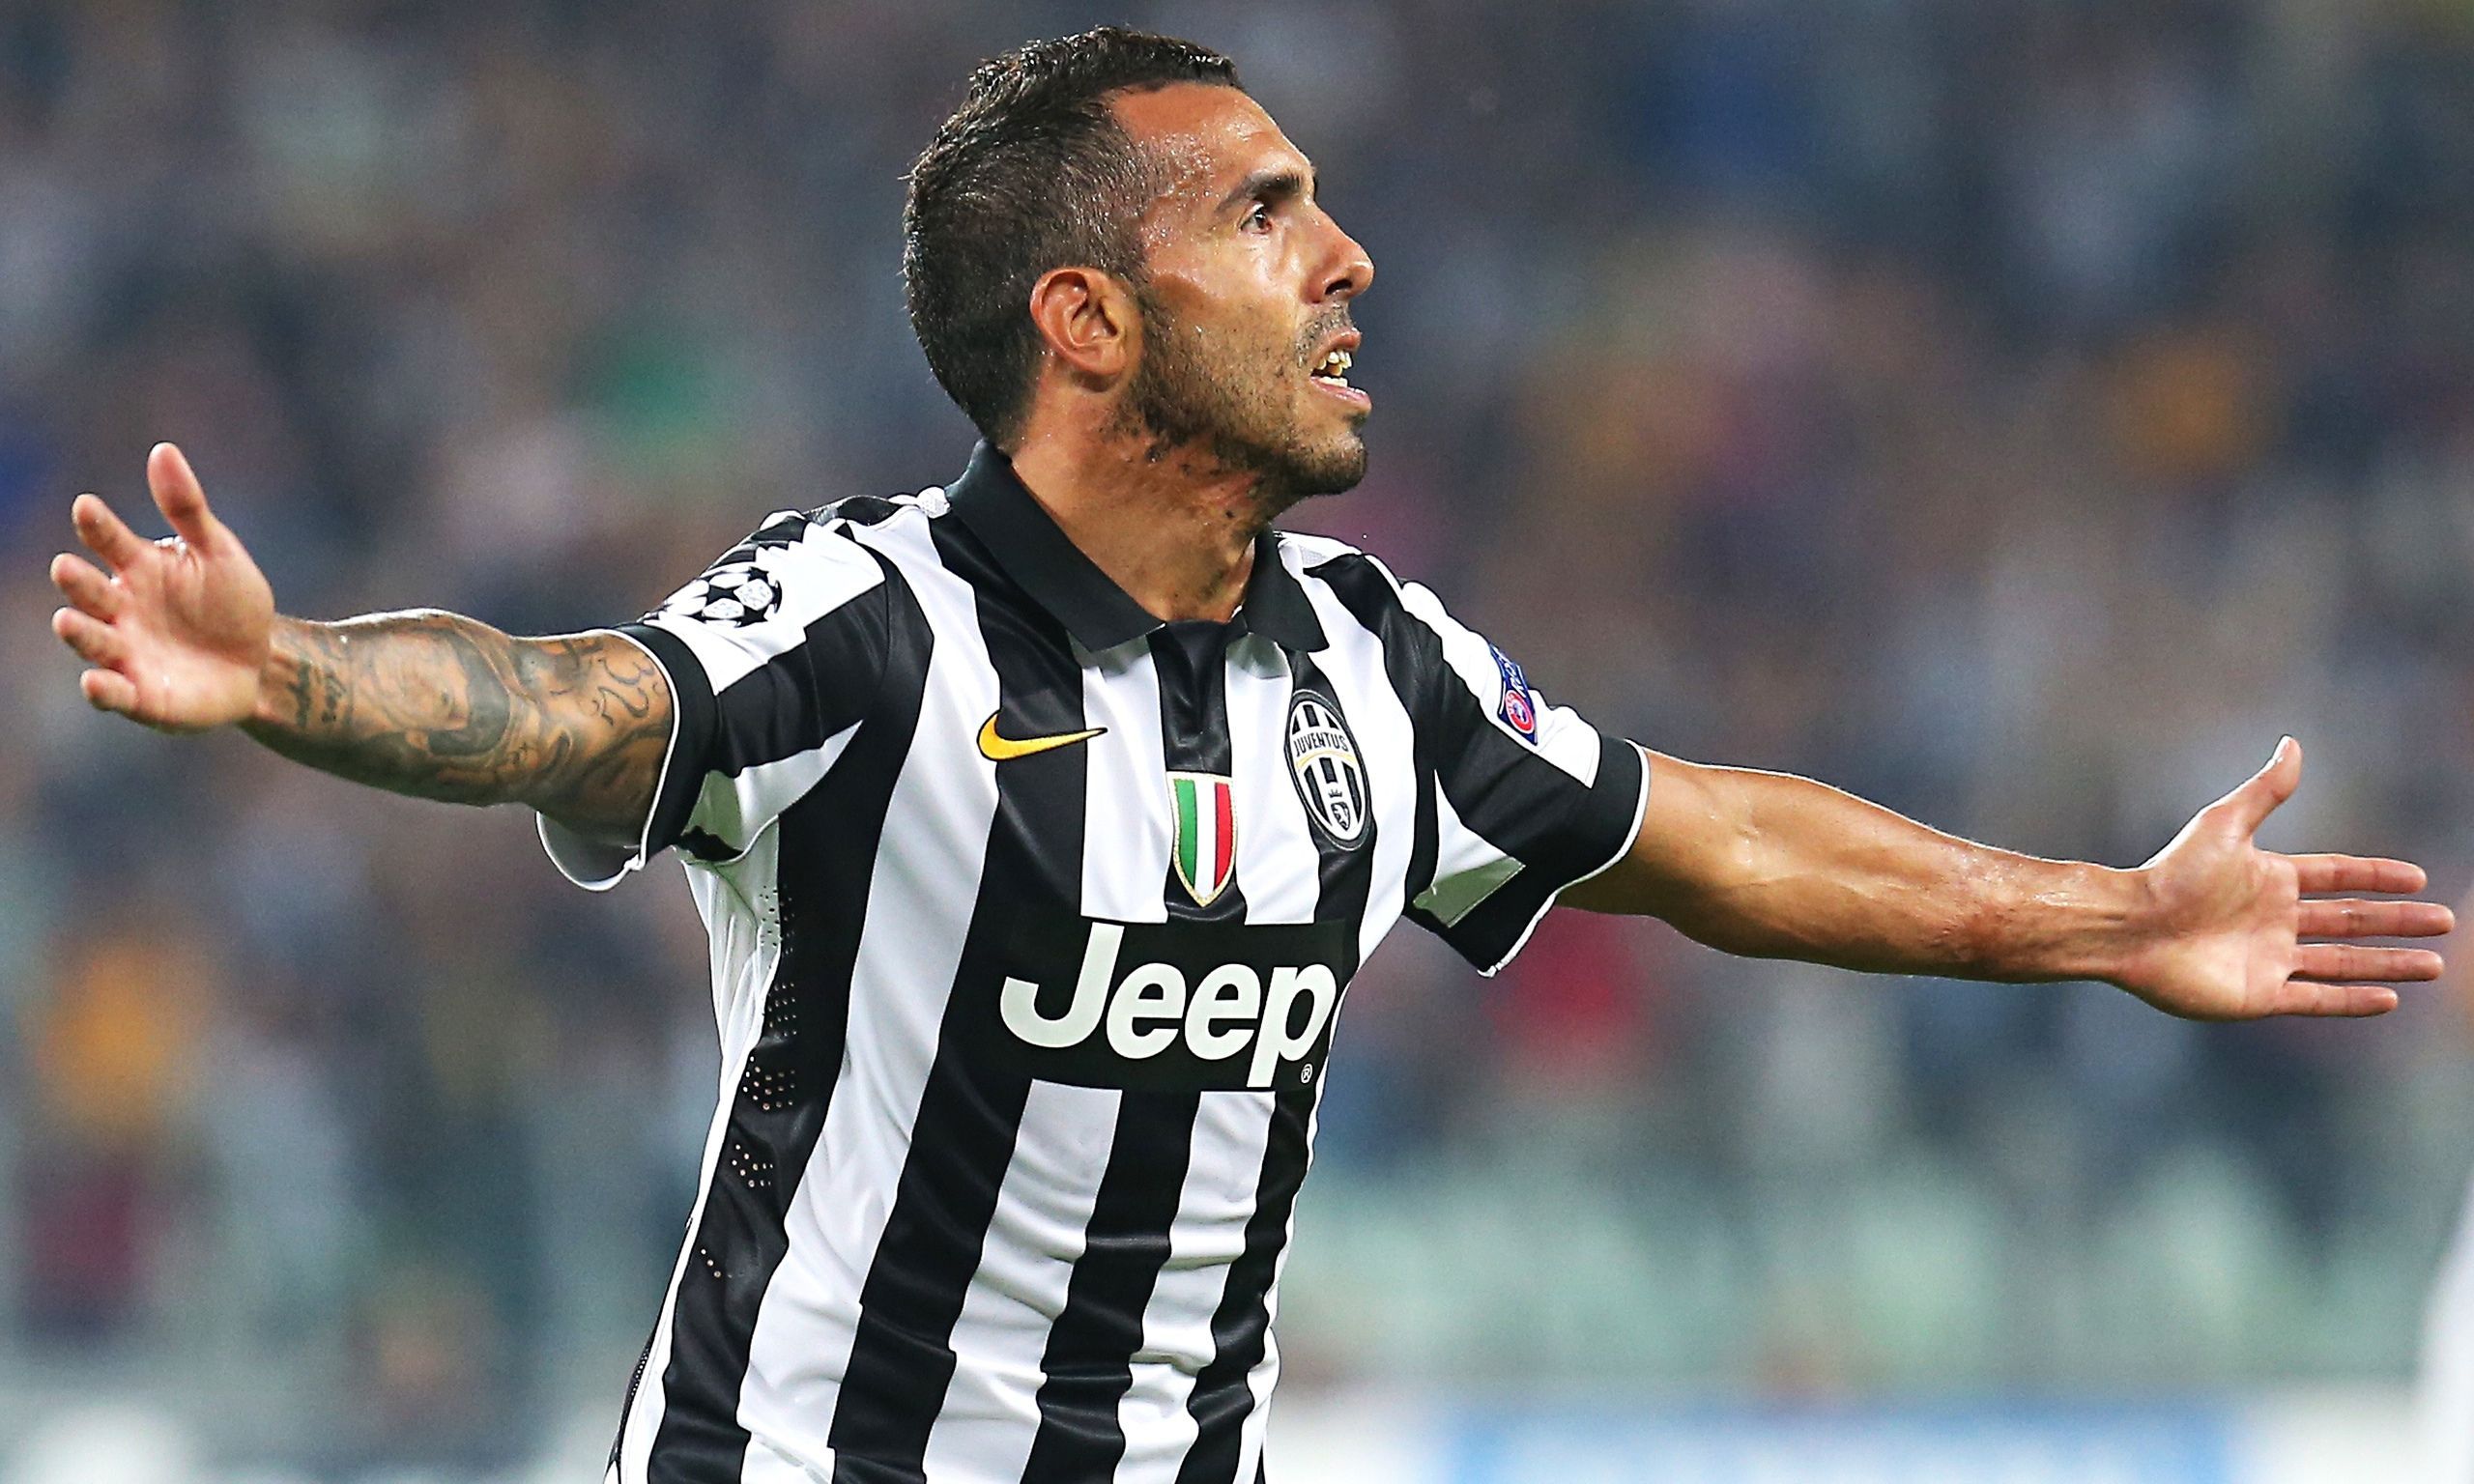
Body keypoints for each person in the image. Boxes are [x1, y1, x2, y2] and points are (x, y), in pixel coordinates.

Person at [41, 26, 2450, 1484]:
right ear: (1089, 321)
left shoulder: (1373, 667)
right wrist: (293, 676)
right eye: (1267, 214)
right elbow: (581, 704)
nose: (1347, 258)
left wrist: (2109, 917)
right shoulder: (874, 618)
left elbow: (1700, 837)